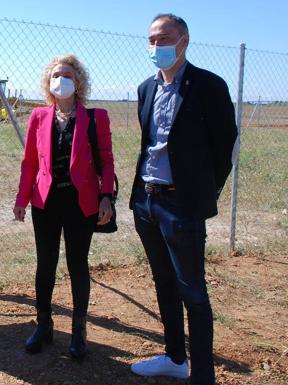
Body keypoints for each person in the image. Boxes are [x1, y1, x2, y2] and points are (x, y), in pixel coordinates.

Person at [129, 14, 237, 385]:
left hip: (182, 206)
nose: (157, 46)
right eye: (152, 39)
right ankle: (175, 357)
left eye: (165, 38)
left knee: (192, 289)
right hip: (147, 203)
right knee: (163, 283)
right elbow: (149, 146)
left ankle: (202, 375)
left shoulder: (208, 86)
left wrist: (204, 191)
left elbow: (225, 146)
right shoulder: (146, 88)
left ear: (184, 40)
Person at [13, 54, 115, 359]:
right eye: (56, 74)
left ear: (78, 81)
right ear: (48, 82)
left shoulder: (96, 117)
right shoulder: (39, 117)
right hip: (44, 203)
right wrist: (21, 199)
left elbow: (107, 161)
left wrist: (106, 195)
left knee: (77, 265)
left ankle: (78, 331)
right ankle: (43, 325)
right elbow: (30, 163)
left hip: (80, 204)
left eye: (67, 74)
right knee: (45, 265)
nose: (61, 79)